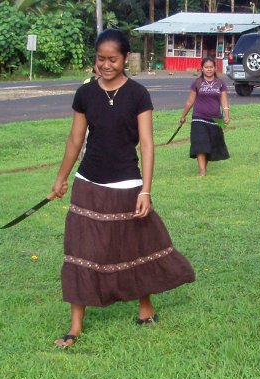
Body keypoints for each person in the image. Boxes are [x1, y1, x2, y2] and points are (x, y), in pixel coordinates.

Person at [51, 29, 196, 348]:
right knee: (81, 251)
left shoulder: (138, 94)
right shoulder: (85, 94)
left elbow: (146, 143)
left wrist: (146, 189)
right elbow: (75, 139)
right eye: (100, 59)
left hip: (128, 184)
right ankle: (75, 327)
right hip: (88, 183)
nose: (105, 65)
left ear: (126, 58)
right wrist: (62, 177)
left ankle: (145, 310)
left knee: (135, 247)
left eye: (112, 59)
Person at [179, 57, 230, 176]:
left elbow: (224, 101)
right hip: (198, 117)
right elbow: (189, 102)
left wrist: (227, 115)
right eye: (206, 67)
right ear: (202, 68)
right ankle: (202, 170)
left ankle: (204, 167)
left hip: (216, 119)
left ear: (215, 68)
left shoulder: (220, 83)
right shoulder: (197, 83)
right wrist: (183, 116)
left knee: (210, 144)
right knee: (200, 143)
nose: (209, 69)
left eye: (211, 67)